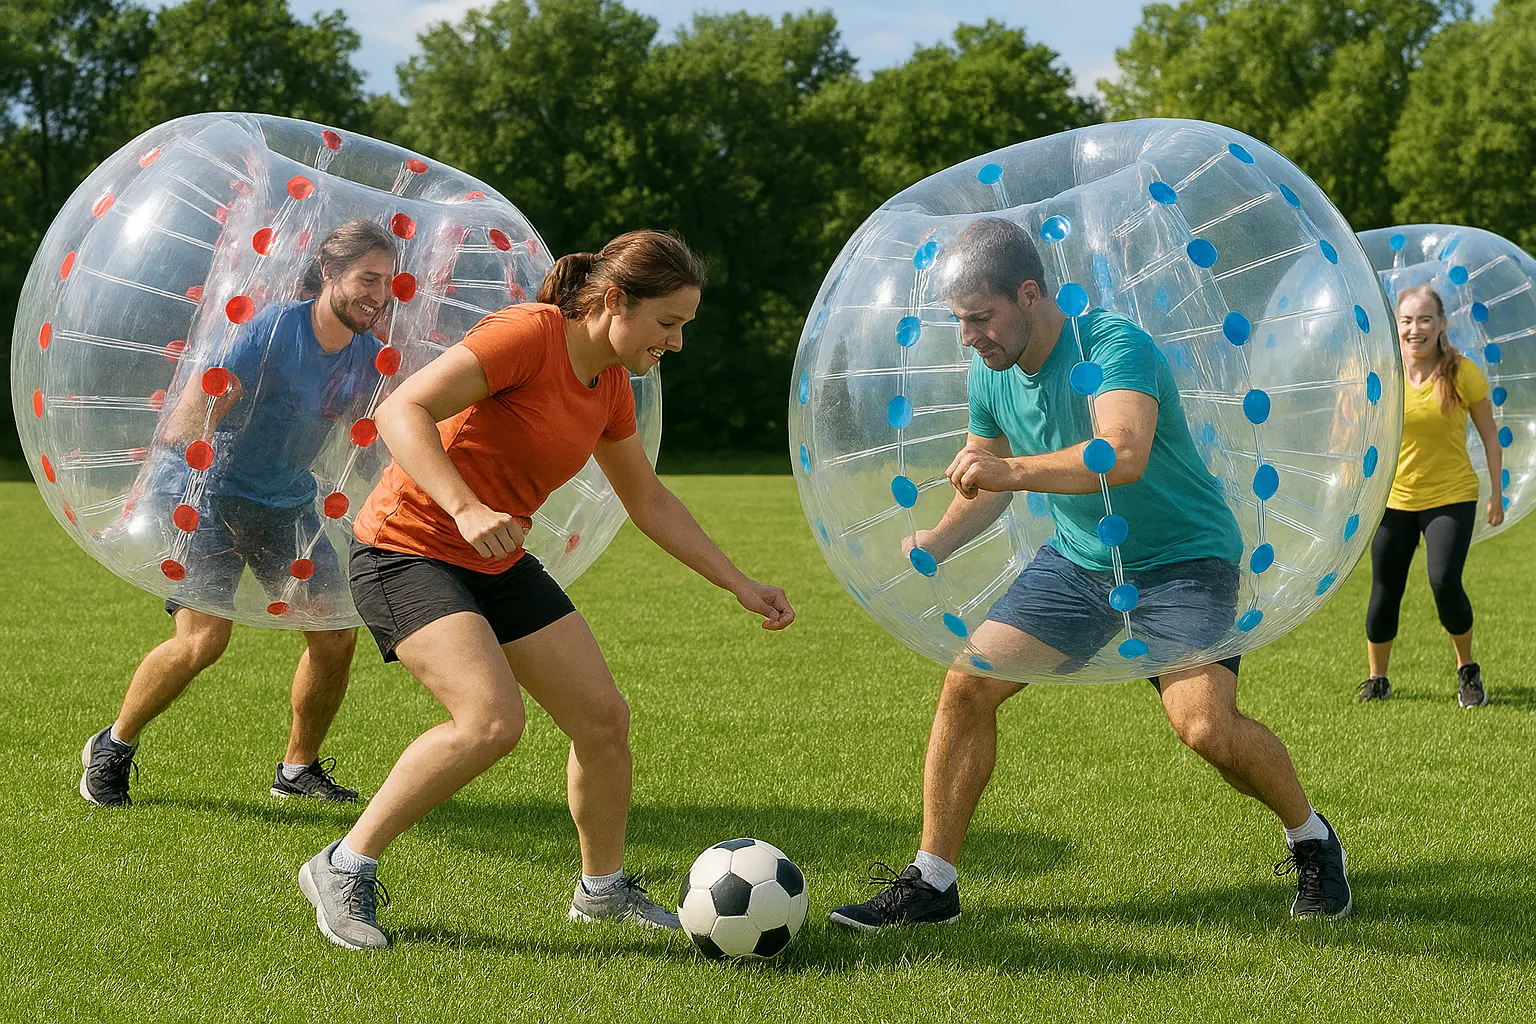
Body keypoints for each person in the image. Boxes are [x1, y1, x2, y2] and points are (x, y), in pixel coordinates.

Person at [828, 218, 1351, 932]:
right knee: (967, 686)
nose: (970, 337)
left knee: (1204, 730)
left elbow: (1122, 452)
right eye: (959, 322)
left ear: (1031, 295)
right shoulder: (992, 371)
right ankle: (933, 882)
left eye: (981, 318)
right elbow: (989, 476)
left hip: (1185, 561)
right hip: (1079, 564)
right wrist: (939, 539)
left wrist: (1005, 468)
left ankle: (1313, 840)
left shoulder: (1112, 346)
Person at [296, 230, 795, 951]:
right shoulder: (529, 335)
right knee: (489, 721)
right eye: (668, 324)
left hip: (493, 559)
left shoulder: (613, 385)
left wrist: (740, 584)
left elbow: (647, 500)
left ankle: (601, 892)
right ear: (615, 301)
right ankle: (343, 865)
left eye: (684, 327)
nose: (677, 344)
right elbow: (402, 411)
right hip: (404, 550)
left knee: (602, 720)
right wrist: (466, 507)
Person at [78, 219, 398, 808]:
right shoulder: (273, 331)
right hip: (215, 492)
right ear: (329, 272)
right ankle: (112, 745)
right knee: (203, 640)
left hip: (287, 503)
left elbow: (382, 435)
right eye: (366, 278)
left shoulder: (368, 358)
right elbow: (194, 413)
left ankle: (297, 771)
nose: (377, 295)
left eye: (387, 283)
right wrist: (183, 496)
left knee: (334, 636)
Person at [1360, 285, 1502, 707]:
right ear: (1397, 326)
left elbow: (1490, 439)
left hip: (1451, 496)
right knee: (1385, 588)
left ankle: (1467, 671)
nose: (1414, 329)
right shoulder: (1384, 374)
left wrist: (1496, 494)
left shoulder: (1462, 373)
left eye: (1424, 319)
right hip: (1394, 498)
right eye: (1406, 320)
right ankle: (1377, 679)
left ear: (1442, 324)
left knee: (1443, 580)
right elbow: (1358, 432)